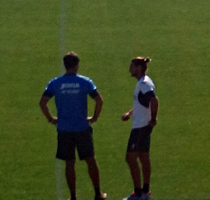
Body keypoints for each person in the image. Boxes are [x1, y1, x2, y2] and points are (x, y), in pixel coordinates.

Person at [39, 52, 108, 200]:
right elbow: (99, 100)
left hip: (64, 129)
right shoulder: (85, 82)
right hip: (82, 127)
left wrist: (51, 118)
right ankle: (97, 193)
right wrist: (94, 117)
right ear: (77, 65)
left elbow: (43, 102)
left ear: (65, 65)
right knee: (90, 160)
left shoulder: (55, 83)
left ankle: (73, 196)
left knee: (69, 163)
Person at [121, 56, 157, 200]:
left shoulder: (144, 84)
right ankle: (145, 191)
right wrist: (130, 113)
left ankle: (138, 192)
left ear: (139, 68)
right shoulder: (143, 83)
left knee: (130, 157)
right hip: (141, 124)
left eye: (132, 66)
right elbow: (143, 102)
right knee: (143, 157)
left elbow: (154, 101)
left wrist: (153, 119)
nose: (130, 69)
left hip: (141, 126)